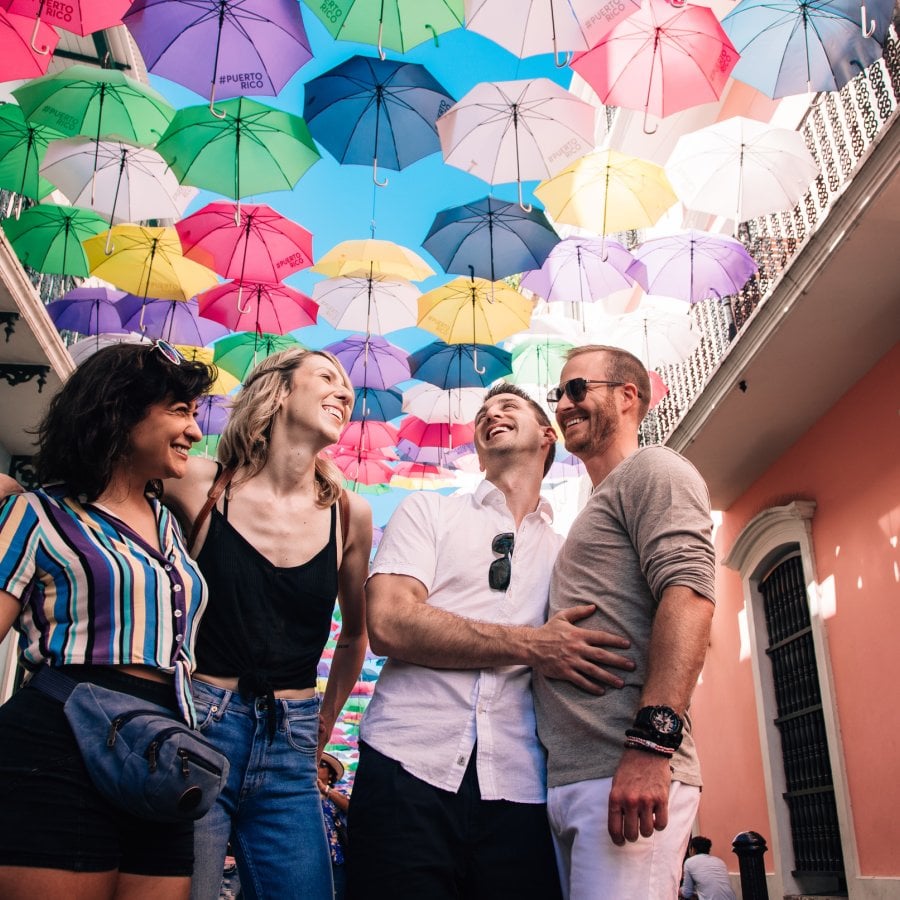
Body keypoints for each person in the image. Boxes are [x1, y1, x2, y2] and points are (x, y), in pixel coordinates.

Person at [346, 382, 635, 900]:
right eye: (484, 411)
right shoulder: (428, 512)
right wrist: (533, 645)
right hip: (404, 767)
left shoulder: (570, 551)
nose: (491, 412)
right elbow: (389, 623)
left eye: (508, 406)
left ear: (548, 436)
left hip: (520, 786)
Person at [0, 341, 216, 900]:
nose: (194, 432)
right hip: (57, 744)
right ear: (120, 410)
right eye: (179, 411)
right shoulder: (36, 513)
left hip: (164, 755)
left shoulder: (170, 526)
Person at [162, 348, 372, 900]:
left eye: (348, 388)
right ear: (279, 392)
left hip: (293, 744)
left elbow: (355, 634)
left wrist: (324, 721)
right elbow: (100, 490)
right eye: (327, 377)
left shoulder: (351, 514)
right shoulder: (200, 485)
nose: (344, 393)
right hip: (200, 728)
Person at [533, 345, 717, 900]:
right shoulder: (594, 505)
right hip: (578, 780)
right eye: (557, 394)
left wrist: (650, 747)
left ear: (627, 396)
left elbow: (690, 595)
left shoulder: (654, 469)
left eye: (576, 389)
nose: (563, 404)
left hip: (625, 770)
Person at [318, 752, 350, 900]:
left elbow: (350, 807)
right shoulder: (303, 796)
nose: (316, 767)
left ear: (331, 774)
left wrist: (324, 789)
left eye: (322, 765)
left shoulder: (339, 794)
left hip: (334, 857)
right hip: (311, 857)